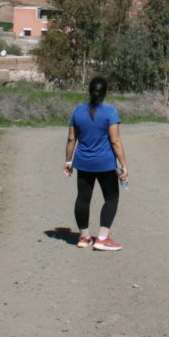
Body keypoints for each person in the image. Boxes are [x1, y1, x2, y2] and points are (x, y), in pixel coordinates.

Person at [63, 76, 128, 251]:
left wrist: (68, 161)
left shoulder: (78, 111)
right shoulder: (110, 112)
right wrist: (124, 165)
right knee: (111, 198)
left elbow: (71, 139)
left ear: (89, 91)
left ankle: (84, 237)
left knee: (83, 198)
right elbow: (115, 141)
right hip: (105, 164)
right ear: (106, 92)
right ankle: (102, 238)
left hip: (83, 163)